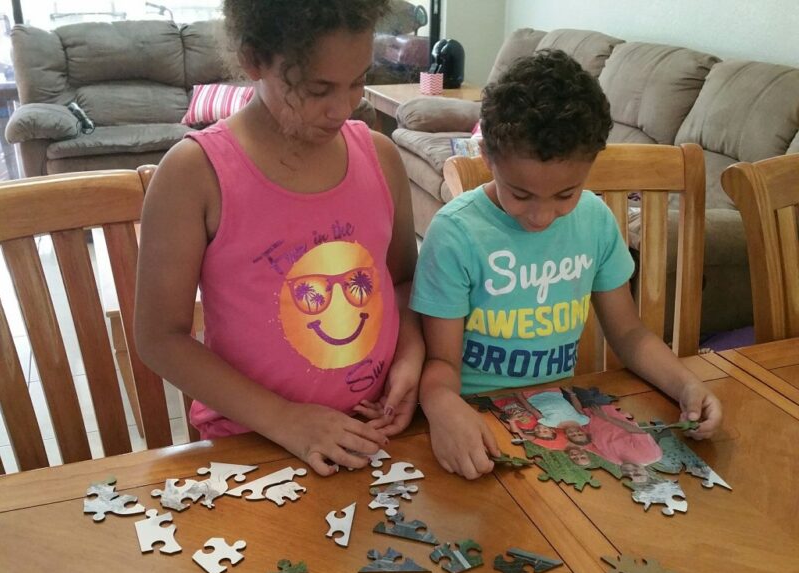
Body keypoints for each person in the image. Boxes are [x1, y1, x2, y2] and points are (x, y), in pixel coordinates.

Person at [134, 0, 424, 476]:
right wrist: (285, 420)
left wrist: (409, 359)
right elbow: (159, 338)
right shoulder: (195, 174)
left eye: (357, 81)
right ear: (253, 60)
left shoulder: (381, 157)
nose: (344, 107)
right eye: (317, 88)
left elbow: (403, 283)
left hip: (375, 434)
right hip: (254, 446)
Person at [411, 49, 722, 480]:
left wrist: (686, 384)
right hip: (474, 426)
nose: (540, 217)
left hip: (559, 422)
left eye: (565, 195)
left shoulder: (595, 221)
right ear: (487, 157)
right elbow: (440, 364)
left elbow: (629, 334)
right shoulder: (455, 234)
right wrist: (442, 406)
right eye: (520, 194)